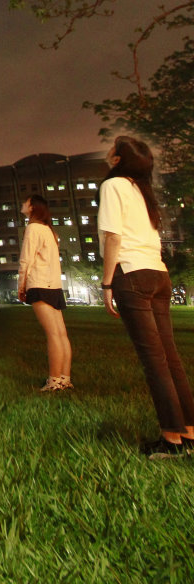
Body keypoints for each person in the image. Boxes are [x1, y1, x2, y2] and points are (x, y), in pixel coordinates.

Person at [98, 134, 194, 458]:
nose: (108, 150)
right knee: (171, 359)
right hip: (158, 273)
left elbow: (113, 236)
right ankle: (190, 433)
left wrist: (107, 283)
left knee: (155, 363)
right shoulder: (143, 191)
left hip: (132, 274)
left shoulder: (113, 187)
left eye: (113, 148)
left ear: (117, 159)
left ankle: (171, 440)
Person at [17, 193, 73, 392]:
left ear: (32, 207)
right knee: (61, 334)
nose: (22, 204)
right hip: (54, 286)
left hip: (40, 285)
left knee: (53, 335)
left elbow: (26, 260)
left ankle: (54, 381)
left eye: (26, 202)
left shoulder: (32, 228)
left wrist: (21, 287)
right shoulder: (49, 230)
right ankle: (64, 379)